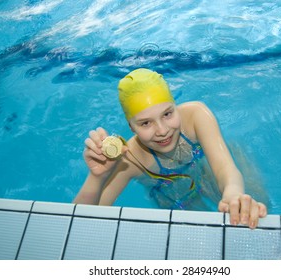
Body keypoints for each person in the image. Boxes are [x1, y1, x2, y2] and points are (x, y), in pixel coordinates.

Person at [74, 68, 267, 229]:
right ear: (131, 127)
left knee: (254, 207)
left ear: (175, 106)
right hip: (171, 192)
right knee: (203, 233)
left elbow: (225, 169)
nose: (163, 130)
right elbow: (79, 224)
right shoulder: (130, 159)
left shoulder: (196, 115)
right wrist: (96, 178)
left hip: (206, 168)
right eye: (146, 123)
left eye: (167, 114)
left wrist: (234, 195)